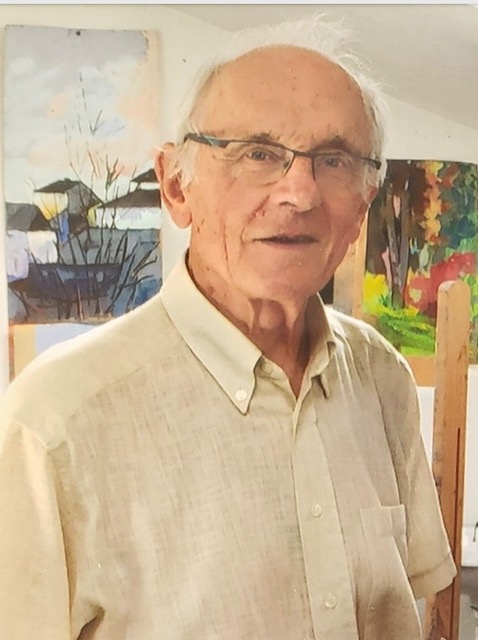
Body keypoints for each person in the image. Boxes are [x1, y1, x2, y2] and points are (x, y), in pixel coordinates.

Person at [0, 16, 456, 640]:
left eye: (333, 160)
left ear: (363, 207)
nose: (299, 193)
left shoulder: (382, 379)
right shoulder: (54, 423)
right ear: (175, 186)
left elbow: (413, 604)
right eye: (258, 154)